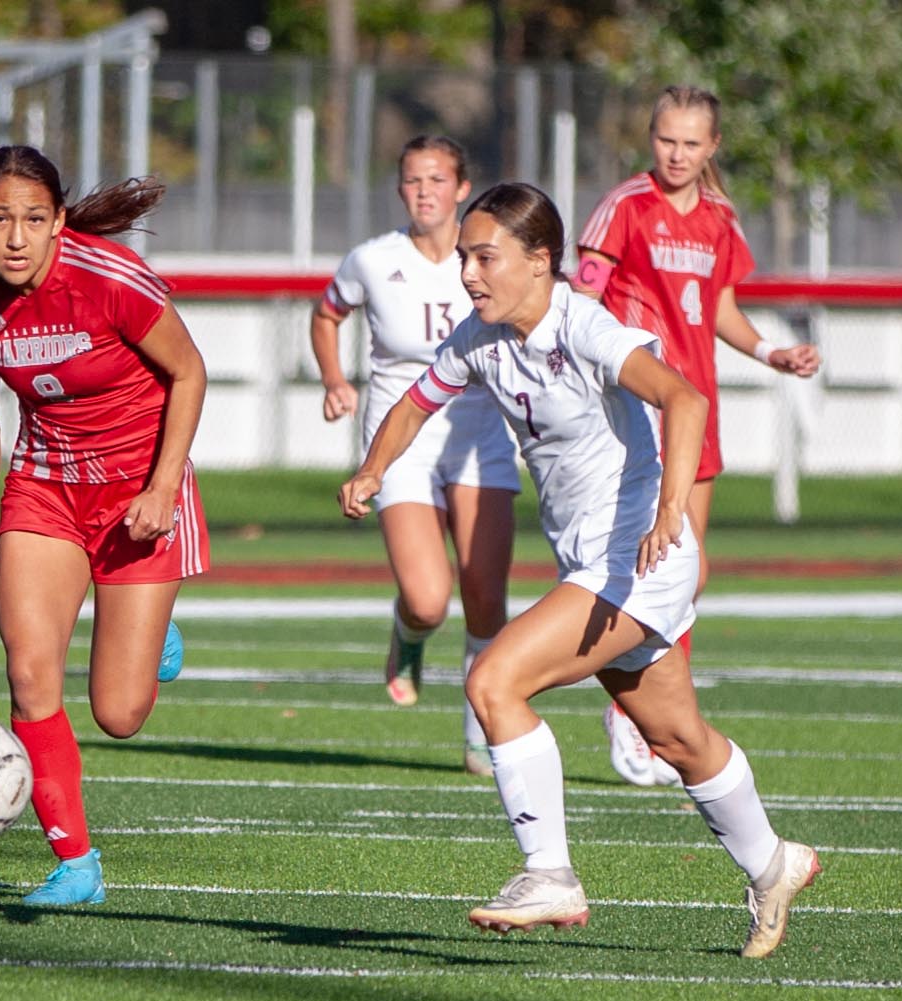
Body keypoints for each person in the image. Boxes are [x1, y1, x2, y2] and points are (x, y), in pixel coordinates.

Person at [339, 182, 819, 958]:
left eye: (484, 256)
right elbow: (411, 405)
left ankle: (549, 873)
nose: (468, 273)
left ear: (540, 260)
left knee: (495, 681)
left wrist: (669, 510)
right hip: (595, 562)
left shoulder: (585, 325)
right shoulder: (479, 338)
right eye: (465, 256)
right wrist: (372, 470)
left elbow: (685, 400)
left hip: (635, 561)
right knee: (677, 739)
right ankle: (774, 862)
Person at [0, 145, 209, 907]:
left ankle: (153, 632)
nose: (17, 238)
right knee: (29, 673)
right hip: (45, 492)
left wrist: (162, 488)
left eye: (33, 219)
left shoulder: (109, 279)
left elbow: (189, 373)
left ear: (59, 222)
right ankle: (76, 864)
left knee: (118, 715)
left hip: (138, 496)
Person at [574, 85, 821, 787]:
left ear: (713, 147)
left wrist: (773, 352)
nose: (676, 154)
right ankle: (634, 711)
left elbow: (721, 310)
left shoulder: (718, 218)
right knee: (648, 567)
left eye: (691, 143)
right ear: (650, 138)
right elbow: (582, 299)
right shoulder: (625, 207)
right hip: (634, 412)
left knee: (690, 574)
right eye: (665, 139)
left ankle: (652, 714)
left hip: (695, 412)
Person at [312, 136, 520, 777]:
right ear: (400, 189)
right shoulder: (373, 260)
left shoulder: (489, 259)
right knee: (430, 599)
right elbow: (326, 316)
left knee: (485, 593)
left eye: (437, 179)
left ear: (462, 188)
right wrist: (334, 380)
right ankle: (408, 636)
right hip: (400, 435)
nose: (423, 190)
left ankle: (480, 730)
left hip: (479, 430)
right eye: (411, 179)